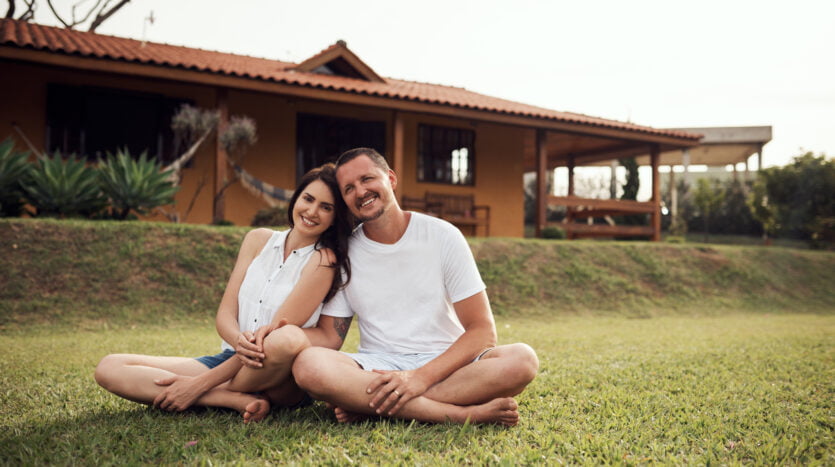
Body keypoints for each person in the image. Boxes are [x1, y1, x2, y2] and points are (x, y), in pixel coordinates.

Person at [292, 148, 539, 426]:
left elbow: (482, 331)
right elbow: (329, 336)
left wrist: (418, 379)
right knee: (308, 365)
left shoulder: (443, 235)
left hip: (448, 364)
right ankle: (460, 415)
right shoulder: (344, 252)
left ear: (391, 179)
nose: (360, 191)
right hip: (380, 365)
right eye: (348, 188)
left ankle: (372, 405)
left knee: (522, 360)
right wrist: (279, 336)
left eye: (367, 179)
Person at [94, 163, 354, 423]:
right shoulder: (257, 239)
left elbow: (272, 338)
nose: (312, 211)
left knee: (283, 339)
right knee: (110, 367)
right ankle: (231, 399)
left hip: (277, 373)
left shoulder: (323, 261)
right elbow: (226, 314)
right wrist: (237, 340)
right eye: (308, 199)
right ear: (296, 197)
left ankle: (211, 390)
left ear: (335, 218)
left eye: (326, 207)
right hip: (230, 360)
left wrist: (196, 385)